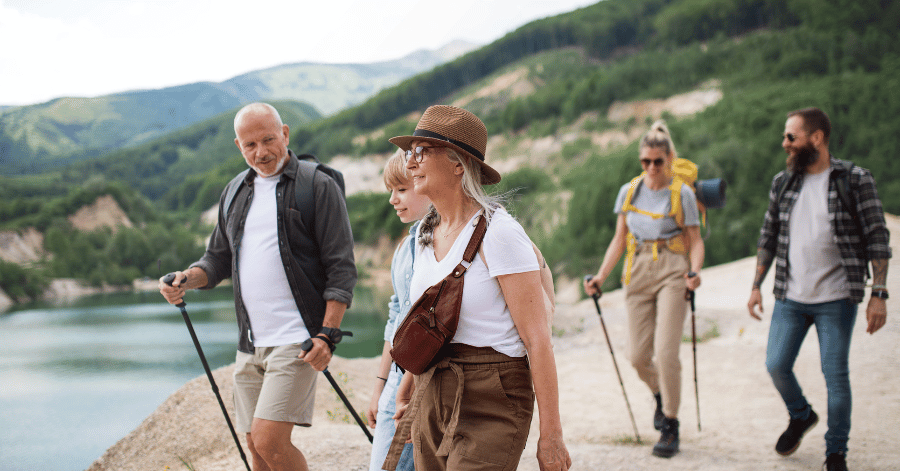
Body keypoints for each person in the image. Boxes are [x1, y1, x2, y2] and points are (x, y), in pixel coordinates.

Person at [158, 102, 357, 471]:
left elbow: (341, 268)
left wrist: (327, 334)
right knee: (255, 446)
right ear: (238, 146)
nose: (261, 152)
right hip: (250, 342)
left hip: (297, 339)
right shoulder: (234, 191)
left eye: (268, 140)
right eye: (250, 145)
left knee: (270, 440)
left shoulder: (317, 185)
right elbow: (216, 261)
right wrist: (187, 278)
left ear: (285, 133)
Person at [383, 105, 570, 471]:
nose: (411, 163)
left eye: (422, 152)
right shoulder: (424, 235)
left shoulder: (500, 234)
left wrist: (551, 436)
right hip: (432, 386)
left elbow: (538, 339)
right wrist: (408, 389)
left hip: (493, 394)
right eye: (410, 153)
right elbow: (430, 322)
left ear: (458, 163)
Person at [747, 107, 890, 471]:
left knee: (835, 375)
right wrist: (756, 286)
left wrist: (879, 294)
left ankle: (836, 453)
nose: (785, 144)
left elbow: (877, 236)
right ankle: (801, 415)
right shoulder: (784, 183)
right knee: (776, 364)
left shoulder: (853, 180)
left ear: (817, 138)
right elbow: (768, 237)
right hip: (790, 297)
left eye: (791, 137)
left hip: (837, 298)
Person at [583, 119, 704, 458]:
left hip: (672, 268)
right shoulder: (630, 190)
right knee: (637, 356)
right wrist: (600, 278)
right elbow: (619, 239)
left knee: (666, 353)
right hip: (637, 271)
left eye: (658, 161)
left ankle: (670, 423)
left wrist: (695, 272)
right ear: (641, 160)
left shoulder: (684, 194)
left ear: (669, 159)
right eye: (645, 161)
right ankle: (661, 395)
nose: (651, 168)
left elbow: (696, 241)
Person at [367, 151, 430, 471]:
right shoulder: (405, 247)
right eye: (390, 191)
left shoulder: (442, 246)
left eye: (401, 189)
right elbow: (397, 318)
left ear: (427, 183)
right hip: (397, 378)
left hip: (424, 378)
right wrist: (380, 386)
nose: (393, 200)